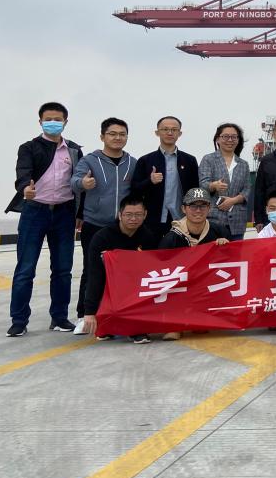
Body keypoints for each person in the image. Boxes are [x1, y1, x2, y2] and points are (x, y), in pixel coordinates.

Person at [6, 101, 83, 337]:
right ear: (40, 122)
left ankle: (59, 317)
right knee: (25, 269)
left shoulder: (74, 150)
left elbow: (79, 184)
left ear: (65, 122)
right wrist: (25, 189)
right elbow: (23, 174)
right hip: (35, 211)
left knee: (63, 269)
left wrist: (79, 214)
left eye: (58, 119)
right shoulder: (29, 147)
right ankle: (19, 320)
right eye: (48, 119)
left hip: (64, 213)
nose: (53, 123)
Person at [70, 117, 135, 331]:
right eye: (112, 134)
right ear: (102, 136)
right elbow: (74, 182)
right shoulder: (90, 161)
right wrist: (83, 182)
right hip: (95, 224)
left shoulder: (132, 163)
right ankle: (84, 315)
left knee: (123, 271)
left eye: (122, 134)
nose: (118, 138)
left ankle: (119, 312)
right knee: (92, 269)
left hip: (123, 227)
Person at [79, 194, 161, 344]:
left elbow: (153, 271)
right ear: (120, 214)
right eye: (128, 214)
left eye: (138, 215)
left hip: (137, 290)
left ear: (145, 215)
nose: (133, 219)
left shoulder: (148, 237)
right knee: (105, 330)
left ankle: (137, 327)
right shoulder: (102, 238)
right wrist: (89, 312)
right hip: (110, 288)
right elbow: (94, 276)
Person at [158, 188, 231, 341]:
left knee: (202, 329)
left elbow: (233, 263)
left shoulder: (220, 231)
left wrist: (225, 249)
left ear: (209, 208)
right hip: (179, 287)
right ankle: (174, 325)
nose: (198, 210)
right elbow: (161, 272)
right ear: (183, 208)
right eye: (193, 206)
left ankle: (200, 318)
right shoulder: (171, 238)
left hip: (207, 286)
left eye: (203, 206)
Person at [132, 116, 200, 236]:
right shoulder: (145, 160)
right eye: (165, 129)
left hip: (182, 219)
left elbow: (195, 190)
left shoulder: (189, 160)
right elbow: (134, 190)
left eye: (174, 130)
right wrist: (150, 181)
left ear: (180, 133)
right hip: (153, 220)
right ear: (157, 132)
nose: (170, 133)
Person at [199, 123, 252, 241]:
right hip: (213, 219)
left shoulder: (243, 164)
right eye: (225, 136)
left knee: (236, 252)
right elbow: (203, 184)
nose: (230, 140)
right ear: (217, 139)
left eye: (234, 137)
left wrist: (233, 200)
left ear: (238, 140)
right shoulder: (208, 159)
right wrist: (214, 185)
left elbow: (247, 189)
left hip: (237, 221)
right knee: (213, 252)